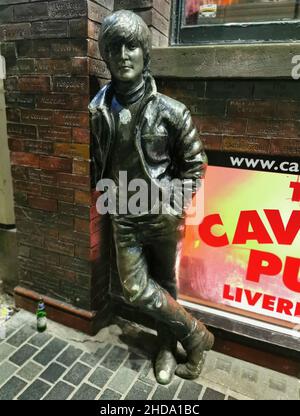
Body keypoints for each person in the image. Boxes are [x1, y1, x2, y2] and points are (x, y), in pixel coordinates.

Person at [89, 10, 214, 385]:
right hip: (122, 215)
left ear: (145, 53)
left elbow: (196, 165)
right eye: (115, 48)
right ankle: (196, 335)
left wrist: (173, 206)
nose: (124, 54)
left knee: (166, 284)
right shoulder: (96, 111)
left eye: (132, 46)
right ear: (106, 57)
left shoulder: (171, 112)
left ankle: (167, 347)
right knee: (135, 288)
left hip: (161, 215)